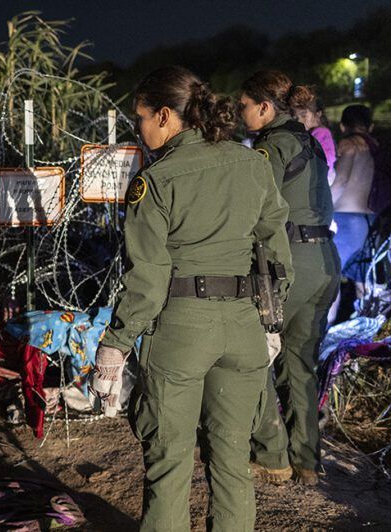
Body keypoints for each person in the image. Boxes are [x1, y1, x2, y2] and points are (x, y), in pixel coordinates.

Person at [92, 66, 293, 531]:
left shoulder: (157, 180)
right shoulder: (252, 164)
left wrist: (116, 343)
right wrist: (270, 322)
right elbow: (276, 251)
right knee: (232, 461)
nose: (139, 130)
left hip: (182, 330)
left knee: (170, 459)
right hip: (244, 327)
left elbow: (149, 276)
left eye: (141, 118)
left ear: (165, 116)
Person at [241, 70, 340, 487]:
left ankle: (271, 456)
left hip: (291, 265)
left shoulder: (272, 146)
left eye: (243, 106)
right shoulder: (311, 143)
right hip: (326, 262)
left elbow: (253, 210)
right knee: (301, 365)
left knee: (253, 357)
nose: (239, 113)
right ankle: (308, 462)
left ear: (265, 108)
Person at [332, 105, 378, 283]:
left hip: (345, 221)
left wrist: (322, 210)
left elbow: (341, 181)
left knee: (331, 281)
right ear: (371, 127)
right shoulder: (375, 147)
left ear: (342, 126)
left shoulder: (348, 144)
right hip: (370, 221)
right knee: (364, 282)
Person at [289, 86, 336, 183]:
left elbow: (325, 159)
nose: (299, 120)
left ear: (318, 114)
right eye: (296, 117)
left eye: (303, 115)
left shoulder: (321, 133)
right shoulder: (315, 132)